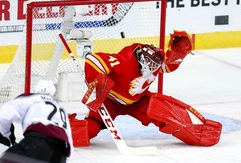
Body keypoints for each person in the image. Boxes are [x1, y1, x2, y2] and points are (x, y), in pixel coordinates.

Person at [69, 30, 222, 147]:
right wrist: (99, 85)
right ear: (142, 61)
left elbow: (169, 64)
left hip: (139, 101)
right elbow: (93, 60)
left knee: (168, 117)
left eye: (156, 66)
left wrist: (179, 50)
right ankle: (61, 130)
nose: (155, 69)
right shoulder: (124, 61)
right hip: (109, 102)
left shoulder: (155, 59)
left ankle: (197, 133)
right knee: (90, 130)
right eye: (151, 66)